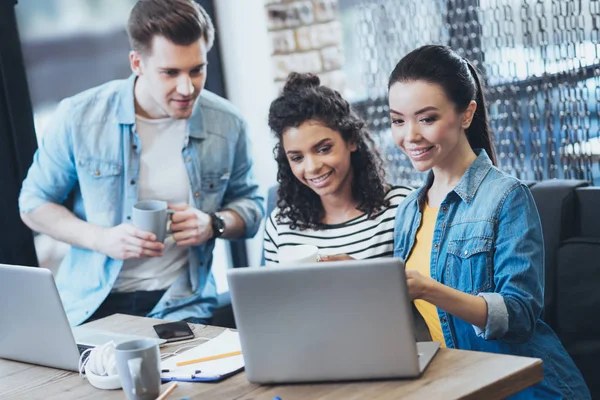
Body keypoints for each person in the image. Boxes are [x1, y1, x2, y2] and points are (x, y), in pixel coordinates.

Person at [19, 0, 264, 326]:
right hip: (93, 304)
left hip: (182, 303)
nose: (187, 88)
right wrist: (101, 239)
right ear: (137, 63)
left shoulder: (228, 124)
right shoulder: (79, 117)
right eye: (170, 73)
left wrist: (212, 224)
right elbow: (33, 204)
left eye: (197, 69)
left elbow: (251, 207)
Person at [389, 45, 590, 399]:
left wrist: (428, 289)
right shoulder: (408, 210)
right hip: (456, 386)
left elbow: (519, 314)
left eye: (427, 118)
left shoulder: (506, 196)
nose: (410, 136)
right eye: (398, 120)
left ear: (466, 114)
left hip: (524, 389)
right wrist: (360, 279)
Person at [263, 72, 412, 264]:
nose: (312, 167)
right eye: (297, 157)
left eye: (324, 149)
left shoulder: (401, 209)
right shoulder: (280, 225)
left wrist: (360, 275)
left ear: (351, 141)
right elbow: (273, 293)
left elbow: (422, 289)